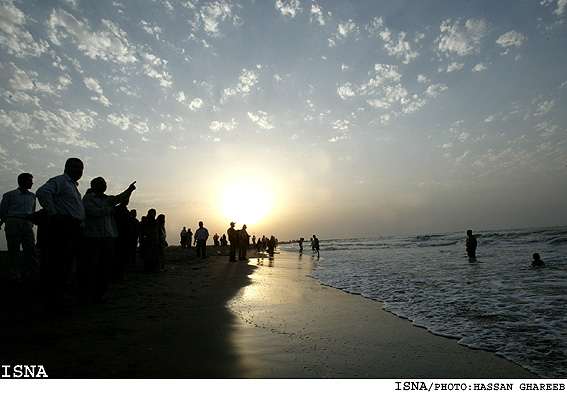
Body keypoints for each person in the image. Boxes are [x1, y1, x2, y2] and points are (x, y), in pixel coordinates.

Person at [36, 158, 86, 313]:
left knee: (65, 265)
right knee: (57, 265)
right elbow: (42, 192)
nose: (79, 170)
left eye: (81, 168)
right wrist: (54, 214)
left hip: (72, 228)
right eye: (75, 167)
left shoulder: (73, 187)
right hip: (61, 228)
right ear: (67, 167)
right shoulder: (61, 181)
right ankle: (52, 303)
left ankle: (58, 300)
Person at [78, 177, 136, 304]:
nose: (103, 185)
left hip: (108, 237)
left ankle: (99, 295)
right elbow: (91, 211)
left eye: (104, 183)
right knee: (90, 267)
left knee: (104, 267)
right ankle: (85, 295)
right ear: (93, 186)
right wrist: (108, 210)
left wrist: (130, 190)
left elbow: (120, 198)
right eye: (99, 183)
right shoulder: (88, 198)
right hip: (93, 237)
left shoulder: (107, 199)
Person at [0, 173, 40, 283]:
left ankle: (34, 273)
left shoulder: (32, 196)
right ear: (21, 182)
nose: (31, 183)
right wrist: (4, 221)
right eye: (29, 180)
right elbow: (3, 210)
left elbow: (32, 210)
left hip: (27, 222)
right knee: (13, 249)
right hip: (13, 221)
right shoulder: (9, 195)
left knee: (30, 249)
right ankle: (14, 275)